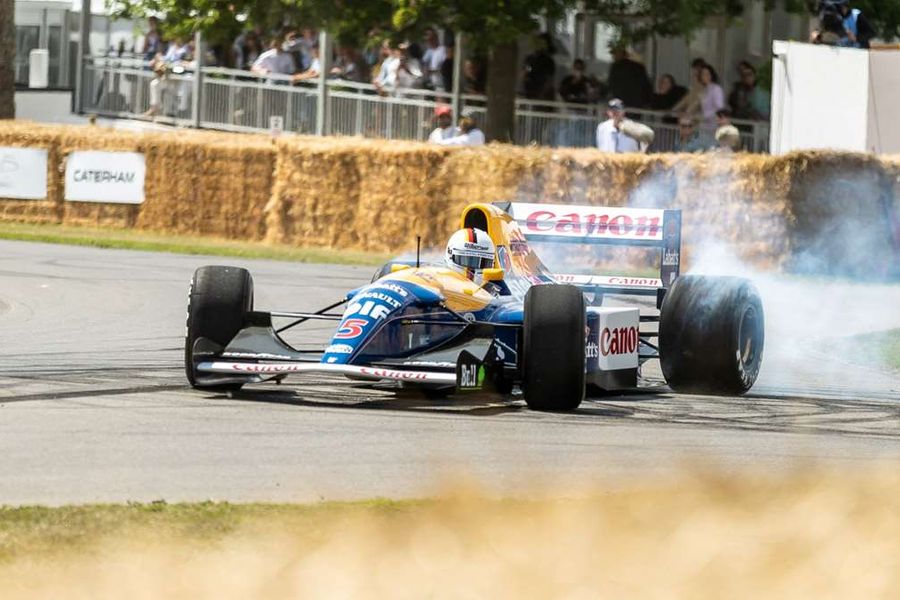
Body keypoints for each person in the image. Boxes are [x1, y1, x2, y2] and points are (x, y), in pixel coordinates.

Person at [522, 33, 556, 100]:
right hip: (529, 92)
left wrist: (542, 94)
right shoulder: (529, 59)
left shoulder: (548, 61)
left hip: (542, 95)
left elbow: (549, 79)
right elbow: (524, 73)